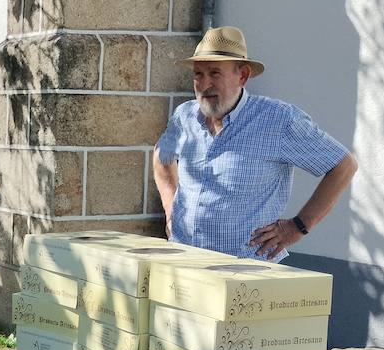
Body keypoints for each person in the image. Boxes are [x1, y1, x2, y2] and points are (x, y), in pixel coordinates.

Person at [152, 26, 358, 260]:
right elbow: (162, 155)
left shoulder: (279, 120)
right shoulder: (184, 116)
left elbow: (344, 165)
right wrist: (170, 209)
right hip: (185, 262)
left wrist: (298, 226)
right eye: (198, 74)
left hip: (248, 273)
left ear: (243, 76)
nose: (204, 83)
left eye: (215, 73)